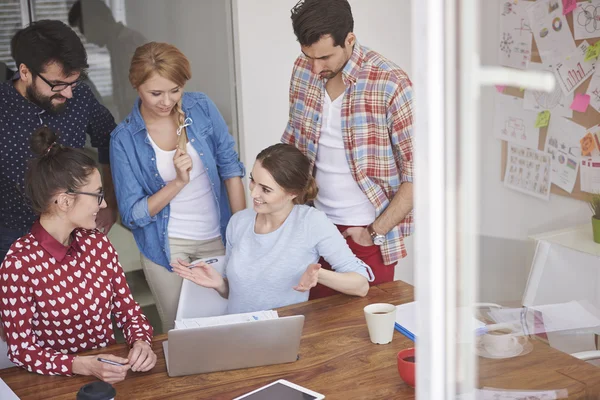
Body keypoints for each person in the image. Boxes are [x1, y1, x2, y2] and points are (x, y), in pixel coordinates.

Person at [0, 127, 156, 382]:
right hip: (53, 384)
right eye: (97, 195)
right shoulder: (18, 263)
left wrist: (141, 342)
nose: (104, 205)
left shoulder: (99, 244)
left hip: (110, 378)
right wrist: (81, 365)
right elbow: (21, 350)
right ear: (64, 201)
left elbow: (129, 311)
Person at [282, 0, 414, 298]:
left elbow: (419, 174)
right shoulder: (303, 69)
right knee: (310, 327)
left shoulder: (390, 83)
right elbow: (293, 143)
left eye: (325, 57)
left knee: (363, 336)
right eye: (308, 56)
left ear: (350, 40)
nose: (315, 67)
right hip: (310, 227)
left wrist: (375, 232)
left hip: (365, 233)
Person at [110, 42, 246, 331]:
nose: (166, 101)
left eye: (175, 90)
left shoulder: (202, 108)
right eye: (155, 93)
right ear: (136, 85)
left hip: (218, 236)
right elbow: (132, 214)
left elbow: (231, 170)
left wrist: (241, 230)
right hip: (168, 249)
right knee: (182, 334)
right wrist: (178, 182)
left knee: (232, 324)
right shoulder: (124, 139)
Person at [171, 144, 373, 314]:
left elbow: (361, 285)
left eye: (266, 189)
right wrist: (220, 285)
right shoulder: (238, 223)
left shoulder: (311, 223)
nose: (254, 193)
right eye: (252, 181)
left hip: (282, 338)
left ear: (292, 193)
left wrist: (319, 276)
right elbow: (238, 293)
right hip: (236, 334)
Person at [0, 20, 118, 263]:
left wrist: (109, 202)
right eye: (58, 84)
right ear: (25, 72)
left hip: (75, 234)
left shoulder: (81, 97)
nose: (68, 93)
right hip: (10, 237)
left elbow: (109, 138)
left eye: (73, 82)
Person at [68, 0, 148, 121]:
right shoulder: (116, 46)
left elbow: (142, 96)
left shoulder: (130, 44)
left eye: (84, 30)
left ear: (97, 21)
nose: (87, 39)